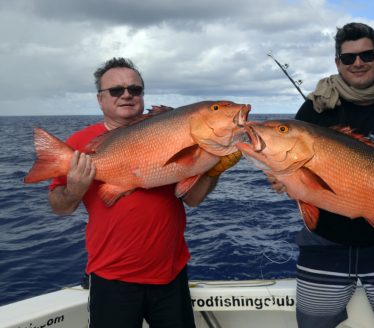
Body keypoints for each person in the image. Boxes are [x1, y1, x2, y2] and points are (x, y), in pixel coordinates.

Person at [48, 57, 240, 328]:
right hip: (111, 277)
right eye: (116, 90)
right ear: (100, 99)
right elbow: (60, 207)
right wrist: (74, 190)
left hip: (171, 274)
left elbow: (193, 199)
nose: (126, 95)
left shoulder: (170, 130)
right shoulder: (80, 144)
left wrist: (213, 170)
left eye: (134, 90)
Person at [267, 23, 374, 328]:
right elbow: (299, 179)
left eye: (366, 54)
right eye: (348, 57)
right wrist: (284, 180)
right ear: (337, 62)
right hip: (322, 245)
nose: (358, 63)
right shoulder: (313, 110)